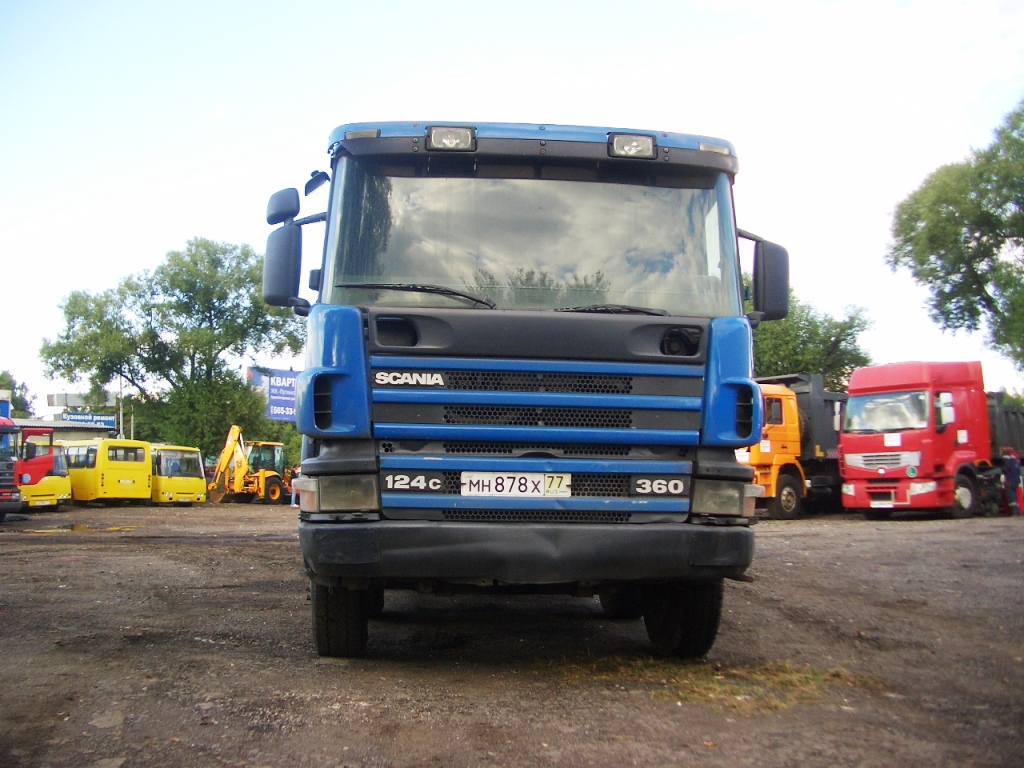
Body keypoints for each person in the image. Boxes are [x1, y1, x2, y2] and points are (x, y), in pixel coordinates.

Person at [1001, 446, 1021, 516]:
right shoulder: (1016, 457)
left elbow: (1006, 467)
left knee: (1011, 495)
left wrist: (1002, 470)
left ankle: (1014, 511)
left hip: (1010, 478)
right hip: (1016, 479)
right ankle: (1017, 511)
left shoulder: (1007, 456)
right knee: (1015, 495)